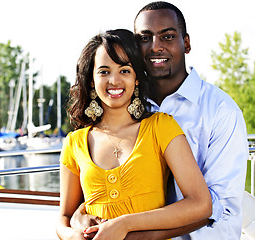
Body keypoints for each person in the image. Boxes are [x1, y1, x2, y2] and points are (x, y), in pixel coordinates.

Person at [71, 2, 249, 239]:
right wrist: (78, 216)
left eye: (167, 36)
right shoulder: (123, 106)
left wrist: (130, 232)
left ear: (186, 43)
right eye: (145, 38)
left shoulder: (221, 111)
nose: (156, 47)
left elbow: (218, 208)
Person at [56, 29, 212, 240]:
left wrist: (124, 224)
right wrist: (73, 236)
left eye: (124, 71)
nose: (114, 81)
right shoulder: (74, 143)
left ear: (137, 78)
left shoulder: (161, 127)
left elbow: (201, 204)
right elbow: (64, 218)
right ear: (91, 80)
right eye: (103, 71)